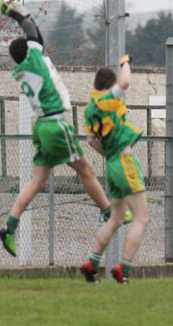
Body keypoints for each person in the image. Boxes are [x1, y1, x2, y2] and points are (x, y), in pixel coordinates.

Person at [0, 1, 131, 258]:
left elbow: (34, 37)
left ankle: (9, 228)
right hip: (56, 124)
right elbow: (32, 31)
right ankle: (109, 213)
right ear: (30, 51)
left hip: (42, 126)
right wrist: (12, 12)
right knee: (86, 170)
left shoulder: (23, 70)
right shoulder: (34, 59)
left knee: (38, 181)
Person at [80, 56, 149, 284]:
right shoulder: (108, 100)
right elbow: (126, 82)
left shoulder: (90, 109)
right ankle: (124, 270)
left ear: (94, 86)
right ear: (109, 87)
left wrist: (108, 154)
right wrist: (126, 62)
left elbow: (90, 141)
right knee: (142, 218)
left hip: (111, 164)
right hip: (124, 161)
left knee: (117, 218)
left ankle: (91, 264)